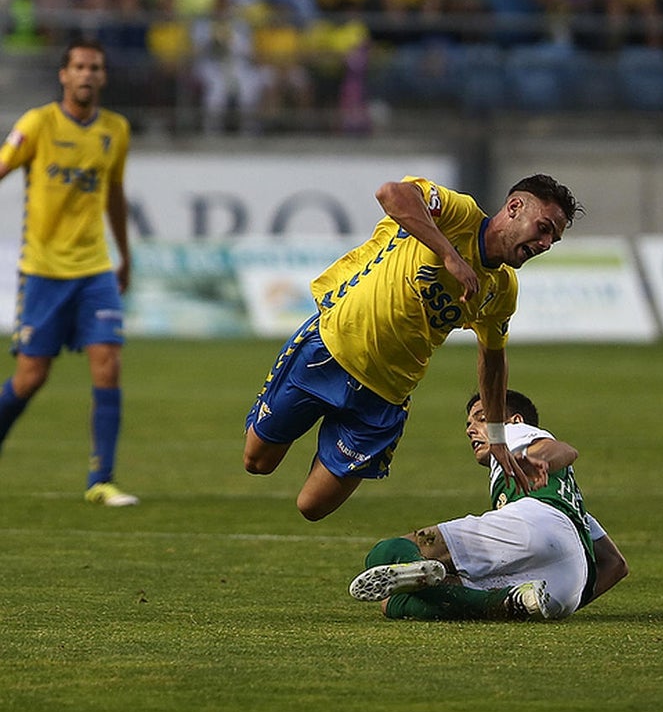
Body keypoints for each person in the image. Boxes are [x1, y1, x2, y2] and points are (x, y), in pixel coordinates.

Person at [244, 174, 582, 521]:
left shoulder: (502, 290)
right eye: (543, 228)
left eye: (553, 240)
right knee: (257, 462)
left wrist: (496, 436)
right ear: (514, 207)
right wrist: (449, 255)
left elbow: (493, 359)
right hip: (330, 349)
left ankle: (336, 435)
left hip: (384, 396)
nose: (544, 243)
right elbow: (391, 194)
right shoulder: (458, 213)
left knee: (312, 507)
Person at [347, 389, 629, 620]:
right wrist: (571, 599)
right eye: (469, 424)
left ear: (515, 421)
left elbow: (563, 450)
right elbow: (616, 565)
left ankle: (426, 569)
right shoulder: (571, 503)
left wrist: (542, 461)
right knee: (393, 603)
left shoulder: (514, 434)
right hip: (565, 587)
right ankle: (507, 602)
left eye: (481, 419)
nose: (471, 429)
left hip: (534, 527)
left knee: (385, 553)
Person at [0, 39, 137, 506]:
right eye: (78, 66)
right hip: (41, 271)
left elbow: (115, 194)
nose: (86, 74)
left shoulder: (116, 130)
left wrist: (125, 255)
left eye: (94, 67)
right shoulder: (37, 124)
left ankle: (101, 480)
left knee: (108, 363)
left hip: (95, 269)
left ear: (102, 76)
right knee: (30, 377)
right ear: (63, 75)